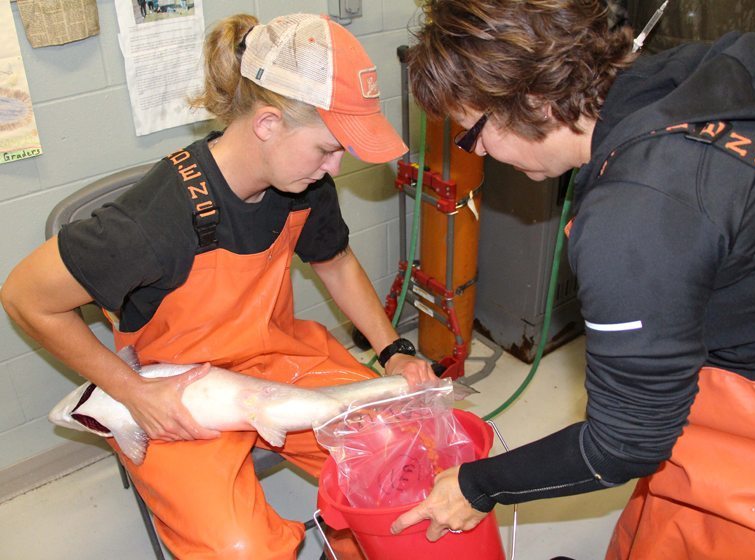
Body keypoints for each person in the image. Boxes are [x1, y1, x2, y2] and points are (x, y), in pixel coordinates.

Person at [1, 13, 436, 560]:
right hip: (178, 388)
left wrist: (393, 351)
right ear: (268, 124)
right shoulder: (153, 221)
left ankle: (345, 544)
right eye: (327, 148)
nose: (335, 166)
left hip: (275, 356)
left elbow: (336, 260)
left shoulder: (301, 180)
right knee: (239, 548)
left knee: (397, 460)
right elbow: (23, 296)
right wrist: (135, 393)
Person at [390, 1, 755, 558]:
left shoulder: (634, 217)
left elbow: (624, 445)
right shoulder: (704, 71)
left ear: (534, 98)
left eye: (473, 136)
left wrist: (478, 485)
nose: (483, 156)